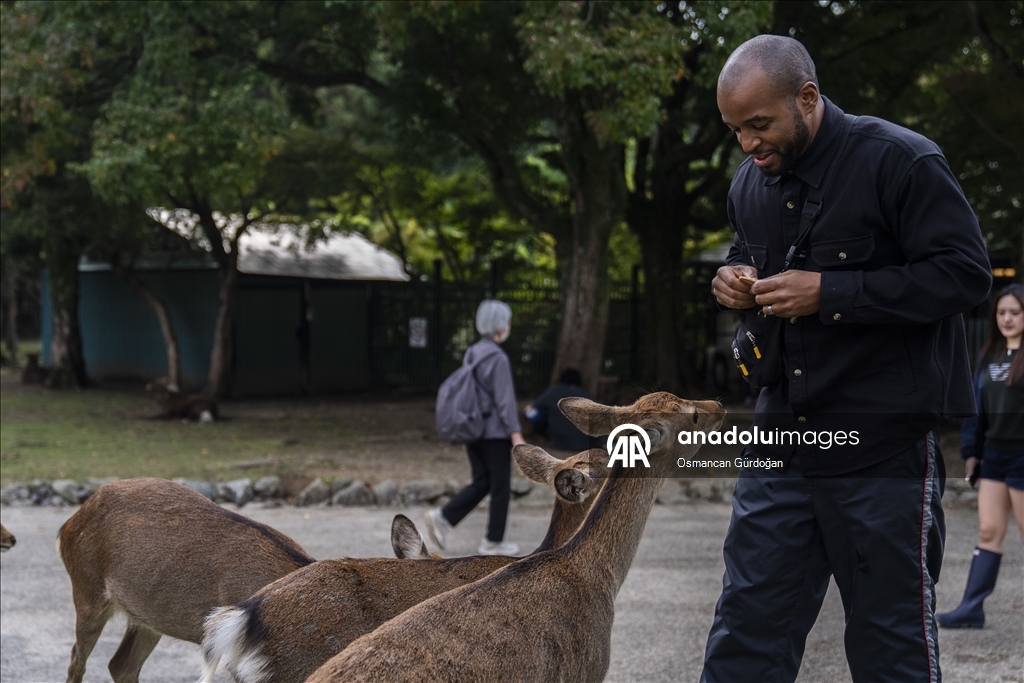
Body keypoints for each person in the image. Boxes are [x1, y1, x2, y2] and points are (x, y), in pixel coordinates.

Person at [705, 35, 991, 682]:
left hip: (882, 446)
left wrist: (831, 293)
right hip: (780, 439)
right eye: (734, 129)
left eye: (759, 124)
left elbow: (965, 274)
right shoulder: (749, 184)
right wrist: (732, 278)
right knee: (744, 634)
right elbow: (743, 252)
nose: (747, 144)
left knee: (891, 646)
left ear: (807, 98)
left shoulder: (901, 160)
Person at [937, 284, 1024, 628]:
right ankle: (971, 609)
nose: (1007, 319)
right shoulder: (989, 355)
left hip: (1021, 457)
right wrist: (972, 453)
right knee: (988, 531)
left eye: (1015, 312)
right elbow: (976, 408)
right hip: (994, 456)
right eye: (1001, 312)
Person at [426, 300, 525, 556]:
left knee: (483, 481)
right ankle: (493, 541)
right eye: (507, 320)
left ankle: (443, 518)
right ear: (500, 324)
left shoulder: (473, 352)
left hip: (473, 428)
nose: (509, 325)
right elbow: (504, 400)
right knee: (500, 485)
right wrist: (516, 434)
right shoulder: (498, 358)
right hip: (495, 432)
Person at [524, 368, 593, 452]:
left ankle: (541, 436)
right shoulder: (586, 395)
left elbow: (530, 408)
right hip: (582, 444)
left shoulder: (554, 391)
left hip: (558, 443)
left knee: (534, 413)